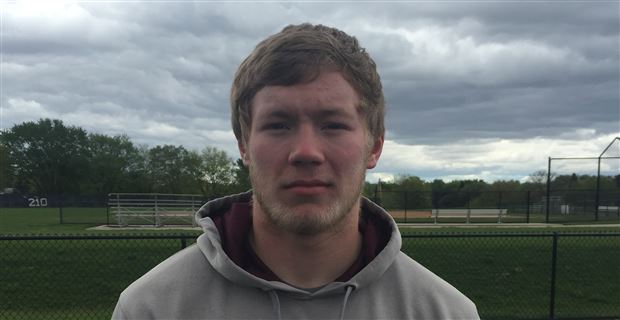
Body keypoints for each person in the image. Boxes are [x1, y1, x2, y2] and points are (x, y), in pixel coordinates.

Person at [112, 23, 479, 319]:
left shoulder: (445, 312)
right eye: (278, 125)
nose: (306, 152)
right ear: (244, 146)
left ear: (375, 146)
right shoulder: (151, 308)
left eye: (333, 125)